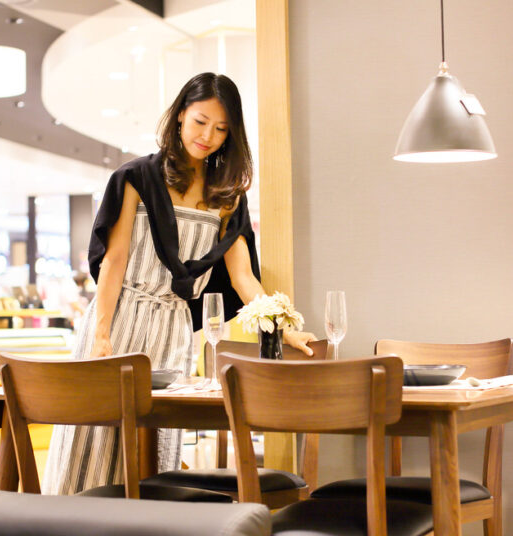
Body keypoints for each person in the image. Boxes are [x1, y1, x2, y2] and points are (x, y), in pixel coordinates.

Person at [43, 72, 316, 494]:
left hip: (172, 330)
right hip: (119, 319)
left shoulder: (228, 194)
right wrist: (99, 334)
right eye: (200, 121)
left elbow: (243, 278)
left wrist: (285, 328)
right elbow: (114, 261)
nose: (208, 135)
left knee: (155, 448)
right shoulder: (138, 177)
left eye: (222, 129)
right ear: (180, 117)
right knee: (93, 442)